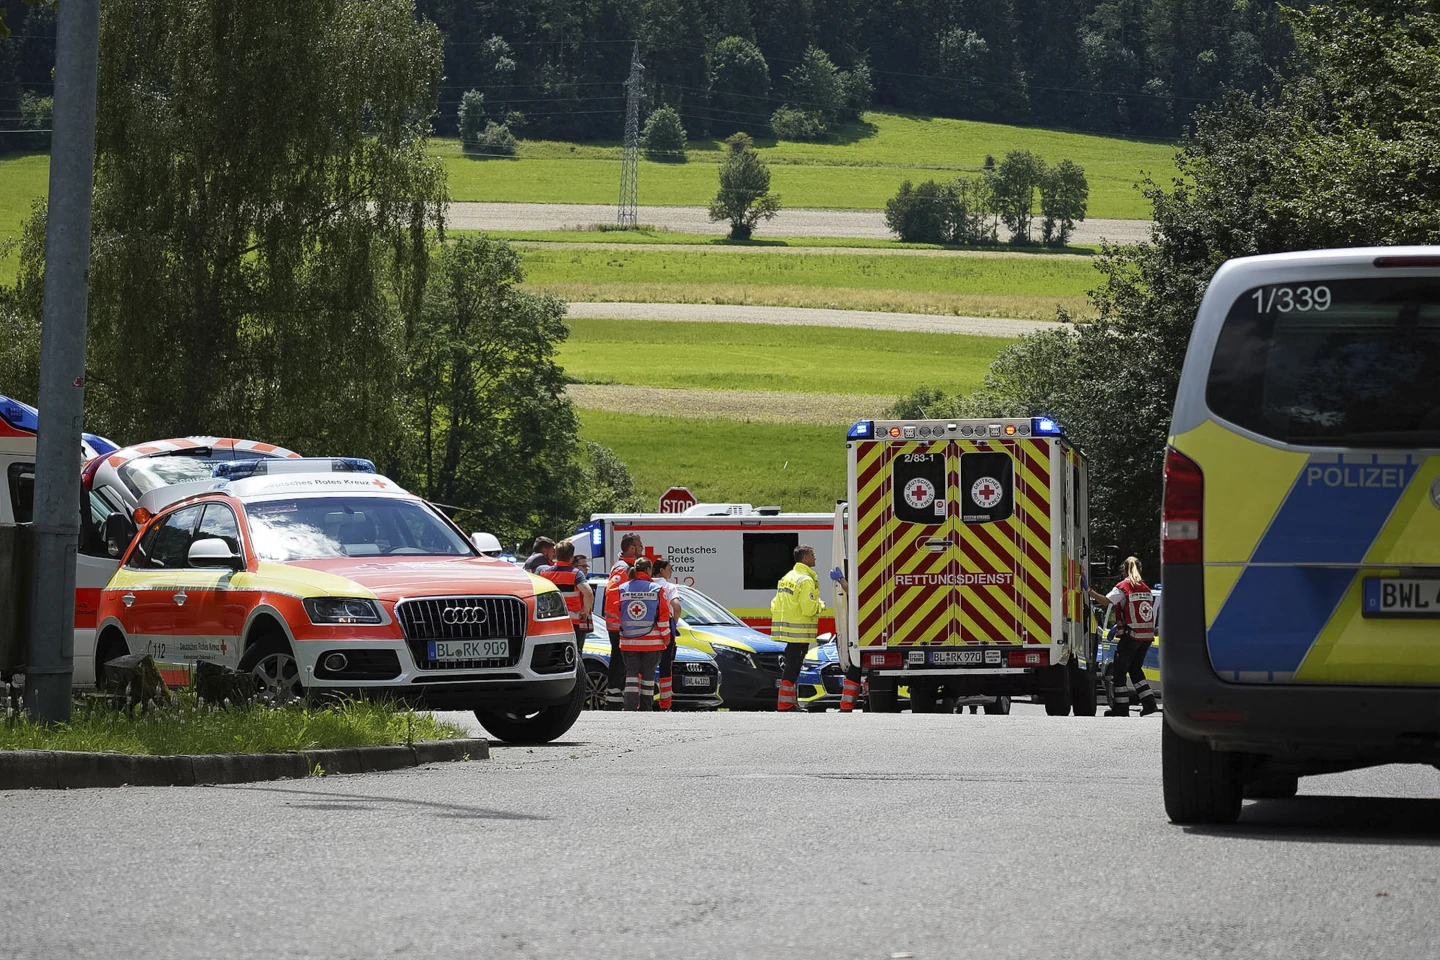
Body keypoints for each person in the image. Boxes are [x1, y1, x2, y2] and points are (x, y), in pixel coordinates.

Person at [1088, 555, 1159, 717]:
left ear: (1124, 570)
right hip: (1146, 637)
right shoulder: (1145, 588)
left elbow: (1106, 601)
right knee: (1135, 669)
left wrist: (1088, 591)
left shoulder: (1124, 586)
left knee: (1119, 673)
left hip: (1130, 636)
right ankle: (1149, 704)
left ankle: (1121, 709)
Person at [770, 544, 825, 712]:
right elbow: (808, 608)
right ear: (805, 558)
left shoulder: (788, 577)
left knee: (791, 666)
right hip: (799, 632)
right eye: (813, 554)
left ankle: (788, 703)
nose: (815, 557)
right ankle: (786, 704)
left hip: (788, 631)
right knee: (793, 668)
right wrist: (821, 605)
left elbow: (774, 604)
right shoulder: (806, 580)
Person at [618, 558, 669, 710]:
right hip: (651, 643)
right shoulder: (657, 589)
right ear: (648, 570)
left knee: (631, 676)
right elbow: (663, 617)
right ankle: (646, 709)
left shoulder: (622, 588)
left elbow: (616, 613)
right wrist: (666, 638)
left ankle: (630, 707)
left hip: (628, 643)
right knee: (648, 677)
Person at [603, 533, 644, 709]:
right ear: (632, 548)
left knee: (622, 662)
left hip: (623, 625)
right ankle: (613, 699)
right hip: (619, 625)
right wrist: (623, 618)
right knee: (619, 662)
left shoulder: (627, 566)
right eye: (640, 546)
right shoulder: (622, 568)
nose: (642, 549)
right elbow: (612, 595)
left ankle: (616, 698)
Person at [538, 541, 593, 649]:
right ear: (572, 557)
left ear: (556, 555)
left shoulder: (544, 573)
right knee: (574, 654)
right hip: (572, 622)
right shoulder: (576, 574)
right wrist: (584, 612)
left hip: (551, 622)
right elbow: (588, 593)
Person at [827, 566, 864, 713]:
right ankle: (846, 705)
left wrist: (841, 579)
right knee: (856, 666)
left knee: (855, 665)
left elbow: (854, 594)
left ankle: (846, 705)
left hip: (862, 630)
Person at [651, 558, 683, 710]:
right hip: (666, 630)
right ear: (661, 570)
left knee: (644, 666)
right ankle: (665, 704)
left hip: (647, 629)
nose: (671, 572)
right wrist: (674, 623)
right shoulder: (669, 587)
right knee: (665, 667)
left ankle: (641, 701)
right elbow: (676, 607)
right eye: (669, 569)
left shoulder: (646, 585)